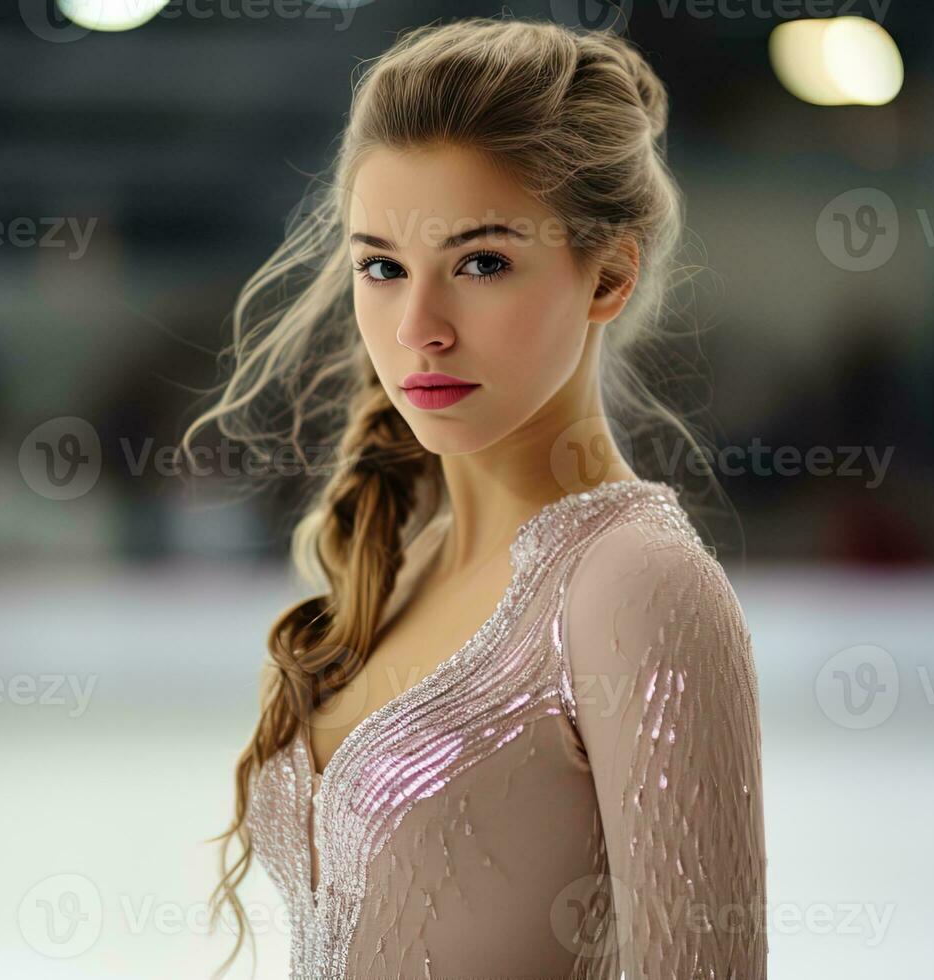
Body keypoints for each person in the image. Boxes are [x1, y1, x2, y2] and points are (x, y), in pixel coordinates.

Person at [183, 16, 766, 978]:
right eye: (383, 267)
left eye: (482, 263)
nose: (419, 328)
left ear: (609, 275)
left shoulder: (633, 587)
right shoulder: (399, 564)